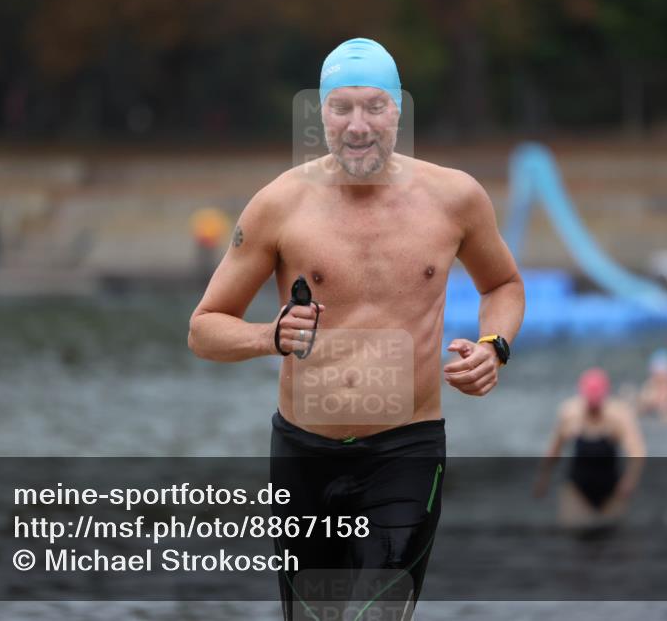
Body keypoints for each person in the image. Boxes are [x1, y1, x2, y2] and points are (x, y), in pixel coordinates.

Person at [188, 37, 525, 620]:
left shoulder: (455, 198)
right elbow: (203, 329)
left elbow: (503, 286)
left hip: (406, 451)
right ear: (321, 113)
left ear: (399, 110)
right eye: (342, 107)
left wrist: (494, 347)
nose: (358, 125)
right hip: (303, 454)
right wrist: (271, 337)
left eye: (374, 106)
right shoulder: (278, 205)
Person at [534, 368, 646, 528]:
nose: (594, 409)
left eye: (597, 404)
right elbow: (554, 450)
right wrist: (543, 479)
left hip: (611, 489)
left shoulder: (619, 416)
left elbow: (637, 451)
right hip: (577, 489)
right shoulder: (570, 413)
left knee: (612, 538)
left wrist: (629, 482)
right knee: (574, 537)